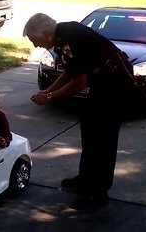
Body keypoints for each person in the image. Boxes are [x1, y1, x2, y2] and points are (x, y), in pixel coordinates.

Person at [24, 13, 134, 210]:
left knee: (103, 141)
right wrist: (46, 91)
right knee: (90, 131)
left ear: (47, 34)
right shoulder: (61, 37)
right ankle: (85, 179)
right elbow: (70, 71)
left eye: (34, 40)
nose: (35, 45)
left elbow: (79, 83)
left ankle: (98, 194)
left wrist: (49, 98)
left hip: (117, 87)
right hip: (102, 85)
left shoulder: (70, 38)